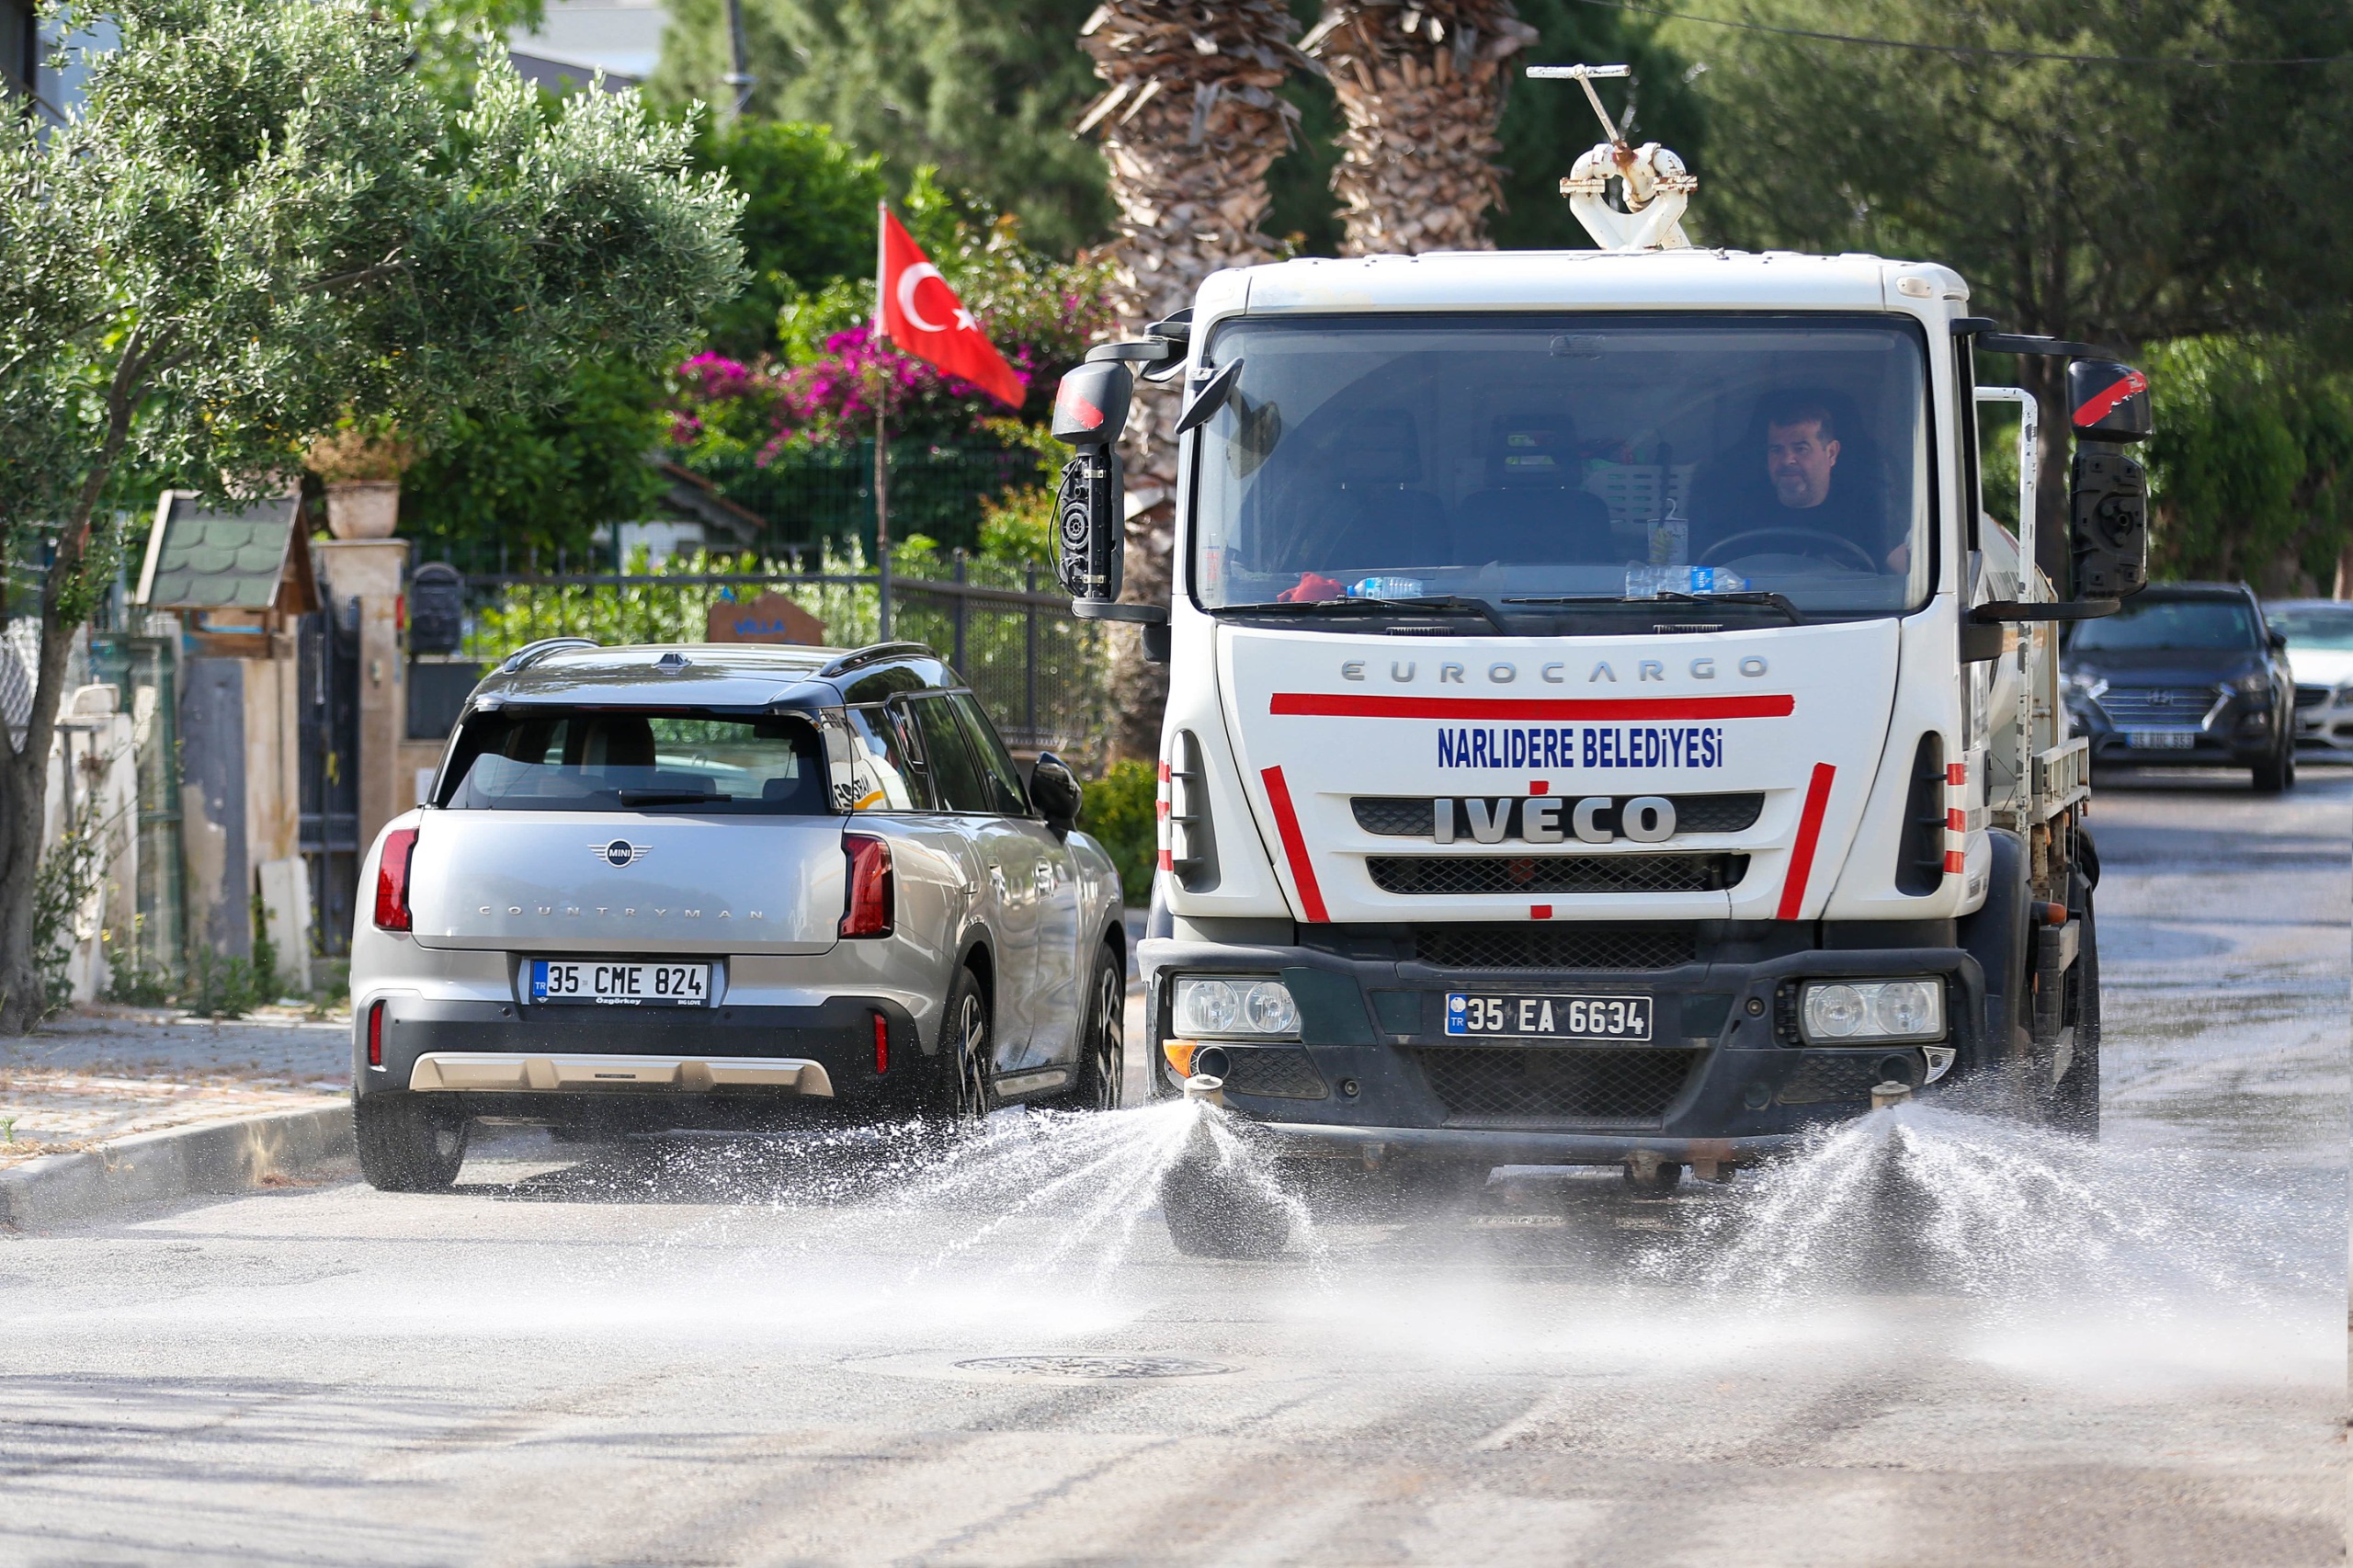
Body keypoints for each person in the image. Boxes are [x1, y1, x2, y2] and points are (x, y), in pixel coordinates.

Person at [1749, 394, 1905, 573]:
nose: (1787, 460)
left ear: (1831, 453)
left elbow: (1905, 577)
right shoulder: (1742, 510)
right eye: (1776, 450)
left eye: (1801, 449)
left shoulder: (1869, 511)